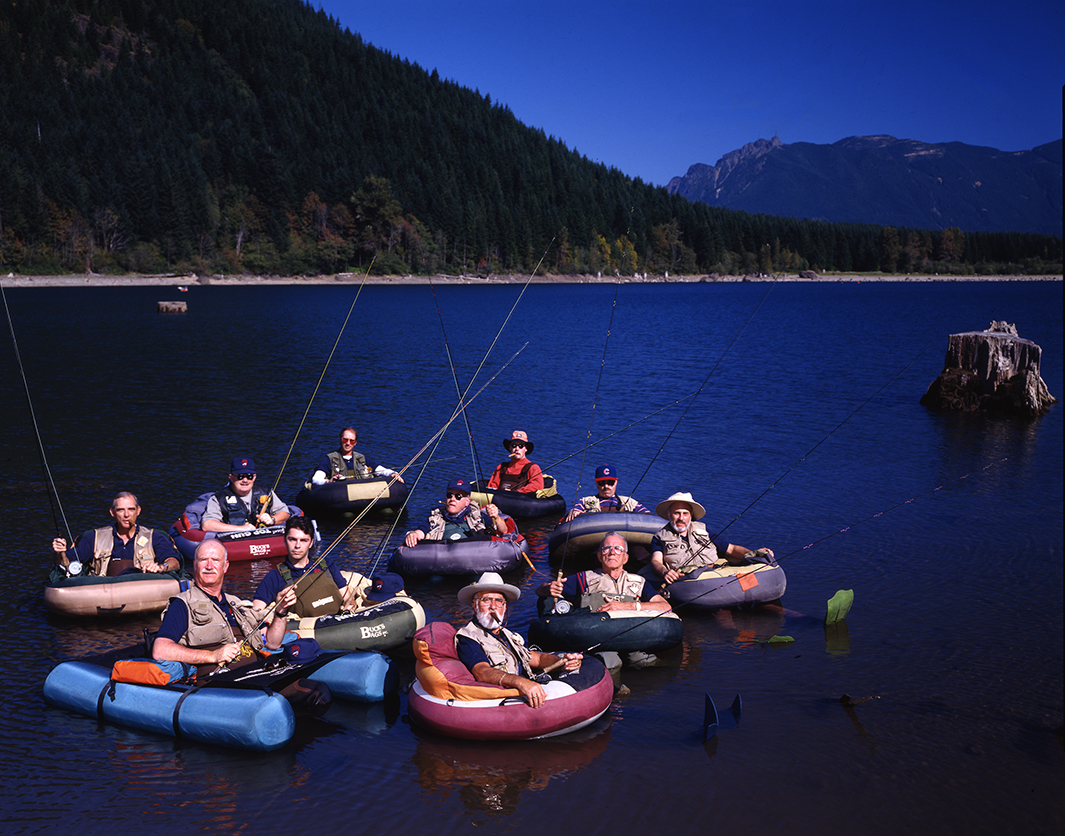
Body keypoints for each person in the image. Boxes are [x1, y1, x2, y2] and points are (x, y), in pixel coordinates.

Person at [153, 539, 295, 671]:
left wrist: (281, 611)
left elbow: (272, 643)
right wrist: (213, 655)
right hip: (219, 685)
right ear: (195, 565)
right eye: (203, 560)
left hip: (256, 674)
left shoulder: (236, 604)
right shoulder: (182, 604)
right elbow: (160, 650)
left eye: (215, 560)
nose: (209, 566)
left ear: (225, 566)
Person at [455, 572, 582, 709]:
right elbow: (482, 672)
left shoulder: (506, 634)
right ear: (475, 605)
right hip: (503, 703)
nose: (493, 606)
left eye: (499, 601)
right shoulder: (468, 637)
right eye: (486, 600)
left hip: (528, 687)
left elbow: (536, 659)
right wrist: (521, 682)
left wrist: (562, 661)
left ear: (504, 607)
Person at [648, 491, 775, 584]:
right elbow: (656, 561)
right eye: (677, 513)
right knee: (723, 614)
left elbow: (731, 549)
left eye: (685, 513)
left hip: (717, 573)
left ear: (690, 515)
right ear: (669, 514)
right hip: (690, 581)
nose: (681, 518)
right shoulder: (659, 537)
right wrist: (665, 572)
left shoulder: (703, 530)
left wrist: (754, 554)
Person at [537, 532, 671, 614]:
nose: (612, 552)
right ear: (600, 556)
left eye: (618, 549)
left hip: (633, 635)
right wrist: (548, 588)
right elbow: (540, 590)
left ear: (626, 558)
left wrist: (627, 606)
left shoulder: (639, 582)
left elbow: (665, 606)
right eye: (607, 548)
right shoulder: (584, 579)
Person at [51, 491, 181, 576]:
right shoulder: (95, 537)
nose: (126, 515)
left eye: (131, 509)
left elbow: (174, 561)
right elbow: (65, 563)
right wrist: (60, 552)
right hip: (102, 592)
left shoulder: (154, 537)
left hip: (142, 590)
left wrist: (161, 567)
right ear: (112, 513)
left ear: (138, 511)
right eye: (120, 510)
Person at [252, 515, 356, 618]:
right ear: (284, 540)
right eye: (292, 539)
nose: (297, 546)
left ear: (311, 543)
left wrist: (350, 607)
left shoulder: (326, 564)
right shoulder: (274, 577)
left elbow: (348, 598)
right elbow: (255, 613)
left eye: (303, 540)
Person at [403, 478, 513, 547]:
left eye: (458, 496)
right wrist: (413, 534)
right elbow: (420, 532)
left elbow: (503, 530)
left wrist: (496, 517)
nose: (452, 499)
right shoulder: (435, 518)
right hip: (442, 564)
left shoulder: (478, 516)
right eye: (449, 495)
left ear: (467, 501)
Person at [201, 455, 291, 532]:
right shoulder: (218, 498)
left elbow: (285, 512)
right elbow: (207, 525)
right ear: (231, 477)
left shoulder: (266, 492)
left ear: (254, 477)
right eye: (240, 476)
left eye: (249, 476)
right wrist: (240, 529)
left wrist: (272, 519)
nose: (245, 480)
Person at [310, 427, 405, 485]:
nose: (348, 443)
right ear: (339, 439)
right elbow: (316, 479)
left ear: (355, 443)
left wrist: (393, 473)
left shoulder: (361, 459)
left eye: (351, 441)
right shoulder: (329, 459)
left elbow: (380, 470)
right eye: (345, 440)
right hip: (339, 496)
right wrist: (328, 482)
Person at [564, 465, 653, 521]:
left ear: (616, 482)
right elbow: (576, 510)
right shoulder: (585, 501)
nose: (606, 486)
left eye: (610, 482)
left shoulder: (629, 502)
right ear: (596, 483)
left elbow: (649, 516)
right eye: (602, 483)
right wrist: (574, 512)